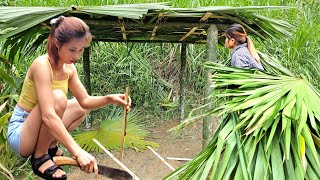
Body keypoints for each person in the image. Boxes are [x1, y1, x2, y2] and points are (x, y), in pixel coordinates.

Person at [7, 16, 131, 179]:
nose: (77, 55)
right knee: (58, 98)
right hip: (22, 132)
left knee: (82, 106)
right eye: (72, 50)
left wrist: (110, 98)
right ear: (58, 44)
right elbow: (48, 115)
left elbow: (85, 101)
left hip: (42, 126)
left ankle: (49, 148)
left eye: (81, 50)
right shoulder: (42, 65)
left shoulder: (69, 68)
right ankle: (40, 157)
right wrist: (77, 151)